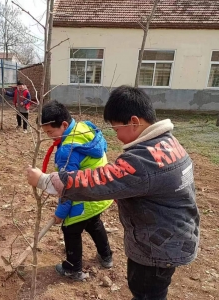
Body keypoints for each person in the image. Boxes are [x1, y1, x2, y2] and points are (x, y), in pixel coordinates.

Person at [27, 86, 200, 299]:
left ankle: (76, 267)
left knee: (145, 292)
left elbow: (99, 180)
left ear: (135, 121)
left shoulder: (142, 160)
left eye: (117, 129)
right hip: (173, 234)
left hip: (156, 246)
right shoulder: (169, 143)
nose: (116, 137)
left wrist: (45, 180)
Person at [39, 100, 113, 281]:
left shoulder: (67, 150)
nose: (49, 136)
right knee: (94, 224)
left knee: (70, 229)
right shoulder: (85, 127)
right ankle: (107, 257)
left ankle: (73, 268)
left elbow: (68, 187)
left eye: (50, 132)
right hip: (101, 194)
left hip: (83, 199)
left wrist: (60, 214)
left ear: (64, 124)